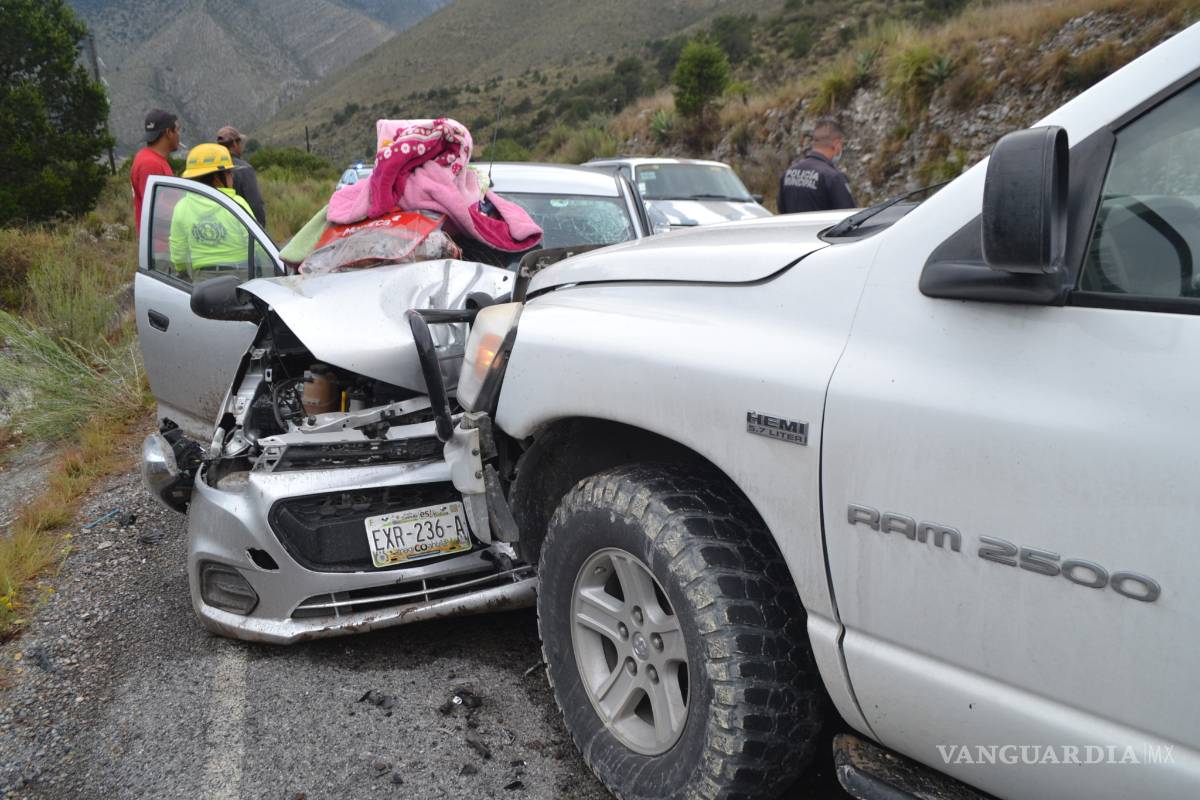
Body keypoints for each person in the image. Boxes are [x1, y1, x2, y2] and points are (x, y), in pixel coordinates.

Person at [170, 143, 255, 278]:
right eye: (229, 172)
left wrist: (182, 272)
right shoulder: (237, 204)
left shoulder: (182, 206)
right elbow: (255, 245)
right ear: (217, 177)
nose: (232, 177)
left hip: (202, 279)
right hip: (239, 276)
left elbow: (178, 251)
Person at [777, 118, 856, 214]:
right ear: (836, 144)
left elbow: (782, 210)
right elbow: (849, 216)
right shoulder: (833, 178)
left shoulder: (788, 174)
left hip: (793, 229)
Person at [131, 109, 180, 234]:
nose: (178, 135)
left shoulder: (149, 158)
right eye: (177, 130)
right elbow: (156, 208)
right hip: (159, 246)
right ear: (169, 132)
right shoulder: (150, 164)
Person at [216, 125, 267, 227]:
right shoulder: (245, 169)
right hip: (242, 230)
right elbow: (255, 206)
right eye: (240, 143)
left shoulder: (212, 168)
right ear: (235, 144)